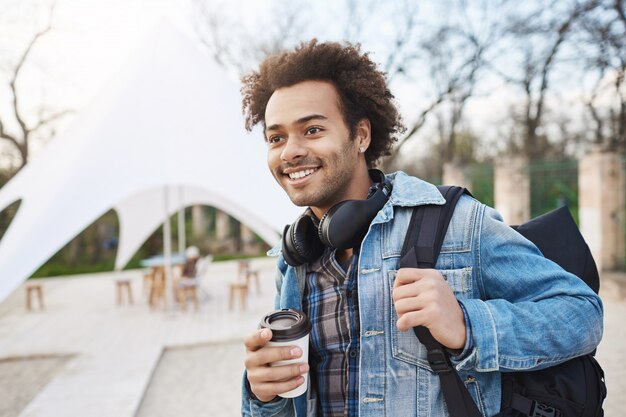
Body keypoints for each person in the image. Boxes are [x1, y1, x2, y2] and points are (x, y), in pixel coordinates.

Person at [239, 40, 603, 417]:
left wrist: (467, 324)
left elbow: (582, 314)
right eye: (276, 137)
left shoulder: (458, 222)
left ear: (361, 135)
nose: (289, 151)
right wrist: (265, 396)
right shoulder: (296, 259)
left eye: (312, 130)